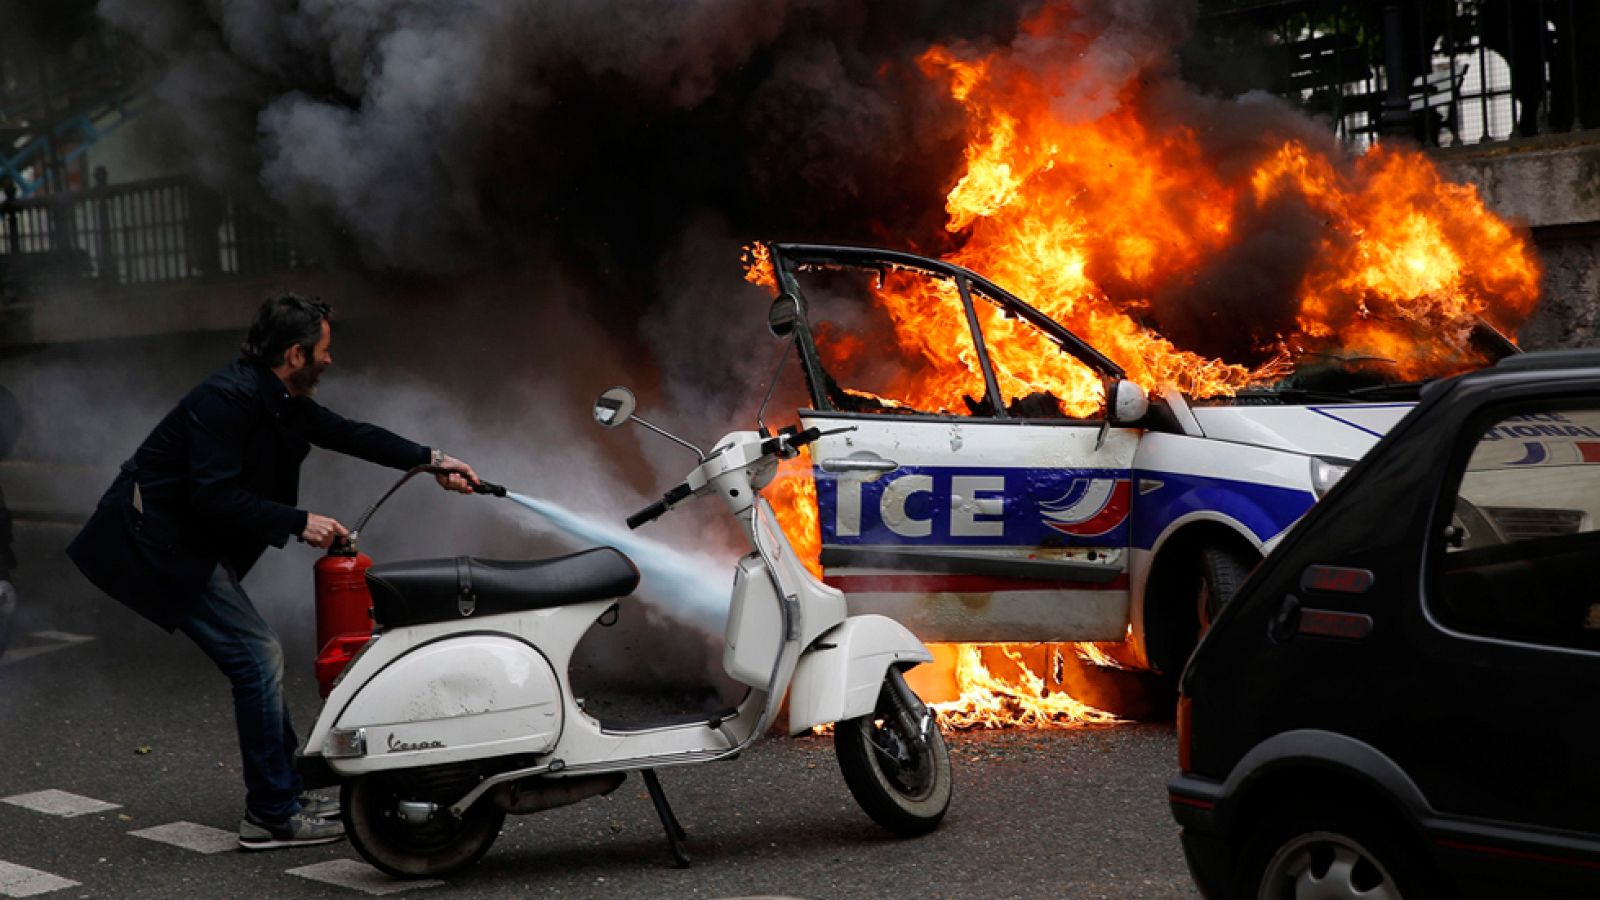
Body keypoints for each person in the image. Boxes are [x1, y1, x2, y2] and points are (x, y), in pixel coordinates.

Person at [67, 294, 480, 850]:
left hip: (186, 542)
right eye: (325, 350)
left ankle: (286, 791)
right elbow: (211, 495)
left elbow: (348, 433)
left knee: (255, 657)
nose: (330, 360)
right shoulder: (225, 400)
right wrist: (297, 521)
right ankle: (271, 814)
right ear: (295, 353)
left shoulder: (277, 397)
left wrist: (432, 459)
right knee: (257, 656)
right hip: (158, 544)